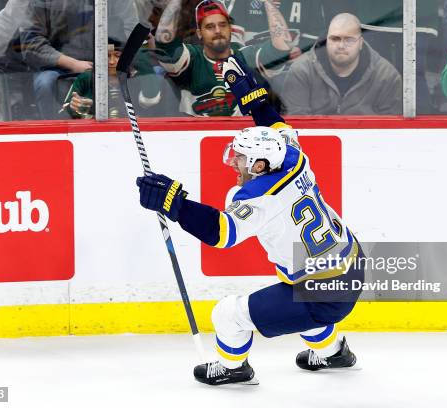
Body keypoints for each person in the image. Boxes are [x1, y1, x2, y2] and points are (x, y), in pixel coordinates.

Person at [136, 56, 364, 385]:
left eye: (242, 159)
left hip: (323, 291)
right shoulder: (294, 157)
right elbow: (276, 127)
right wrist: (252, 96)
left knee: (228, 315)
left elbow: (221, 233)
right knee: (302, 296)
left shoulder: (260, 198)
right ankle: (335, 353)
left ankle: (234, 368)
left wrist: (175, 203)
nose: (235, 163)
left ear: (259, 166)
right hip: (353, 266)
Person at [154, 0, 292, 116]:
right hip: (194, 138)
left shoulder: (244, 57)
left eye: (222, 25)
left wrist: (267, 2)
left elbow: (282, 48)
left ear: (230, 29)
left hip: (241, 137)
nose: (218, 30)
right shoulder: (192, 58)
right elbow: (164, 43)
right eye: (210, 26)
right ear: (199, 33)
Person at [20, 0, 138, 119]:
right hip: (58, 67)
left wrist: (110, 61)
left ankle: (128, 128)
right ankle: (54, 131)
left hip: (108, 64)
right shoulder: (41, 2)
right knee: (45, 82)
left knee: (145, 77)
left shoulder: (120, 2)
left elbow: (132, 36)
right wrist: (73, 64)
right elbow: (31, 43)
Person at [282, 13, 402, 115]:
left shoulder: (386, 76)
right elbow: (296, 126)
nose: (341, 45)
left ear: (360, 43)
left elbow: (392, 133)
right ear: (326, 40)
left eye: (349, 40)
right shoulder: (302, 71)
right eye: (335, 39)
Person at [64, 36, 162, 119]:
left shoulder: (137, 79)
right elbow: (65, 109)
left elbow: (151, 102)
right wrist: (77, 108)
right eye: (107, 55)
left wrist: (140, 58)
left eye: (117, 55)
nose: (111, 61)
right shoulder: (86, 78)